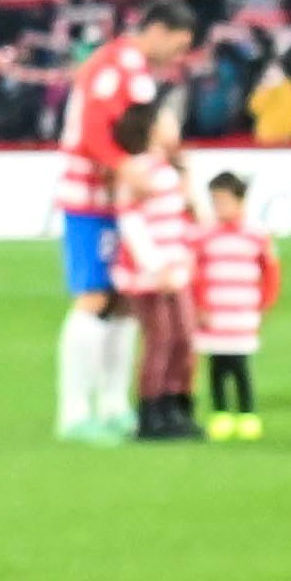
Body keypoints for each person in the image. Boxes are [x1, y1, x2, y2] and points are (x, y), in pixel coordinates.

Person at [51, 0, 193, 443]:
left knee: (127, 300)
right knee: (94, 297)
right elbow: (94, 129)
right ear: (158, 30)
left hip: (118, 197)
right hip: (91, 197)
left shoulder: (133, 69)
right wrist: (125, 166)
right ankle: (74, 413)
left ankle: (113, 405)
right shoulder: (115, 65)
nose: (178, 57)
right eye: (178, 45)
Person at [107, 103, 202, 444]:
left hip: (176, 268)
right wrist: (155, 266)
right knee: (160, 339)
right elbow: (131, 222)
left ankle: (177, 405)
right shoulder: (136, 170)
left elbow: (188, 217)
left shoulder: (173, 169)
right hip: (150, 274)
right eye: (167, 120)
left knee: (185, 337)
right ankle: (151, 411)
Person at [193, 172, 280, 440]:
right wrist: (200, 304)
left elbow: (271, 270)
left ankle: (247, 413)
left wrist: (264, 303)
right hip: (215, 309)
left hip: (242, 308)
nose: (219, 207)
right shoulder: (205, 235)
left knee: (240, 363)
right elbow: (197, 272)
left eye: (224, 201)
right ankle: (221, 413)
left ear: (240, 202)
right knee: (217, 364)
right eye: (215, 202)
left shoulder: (257, 235)